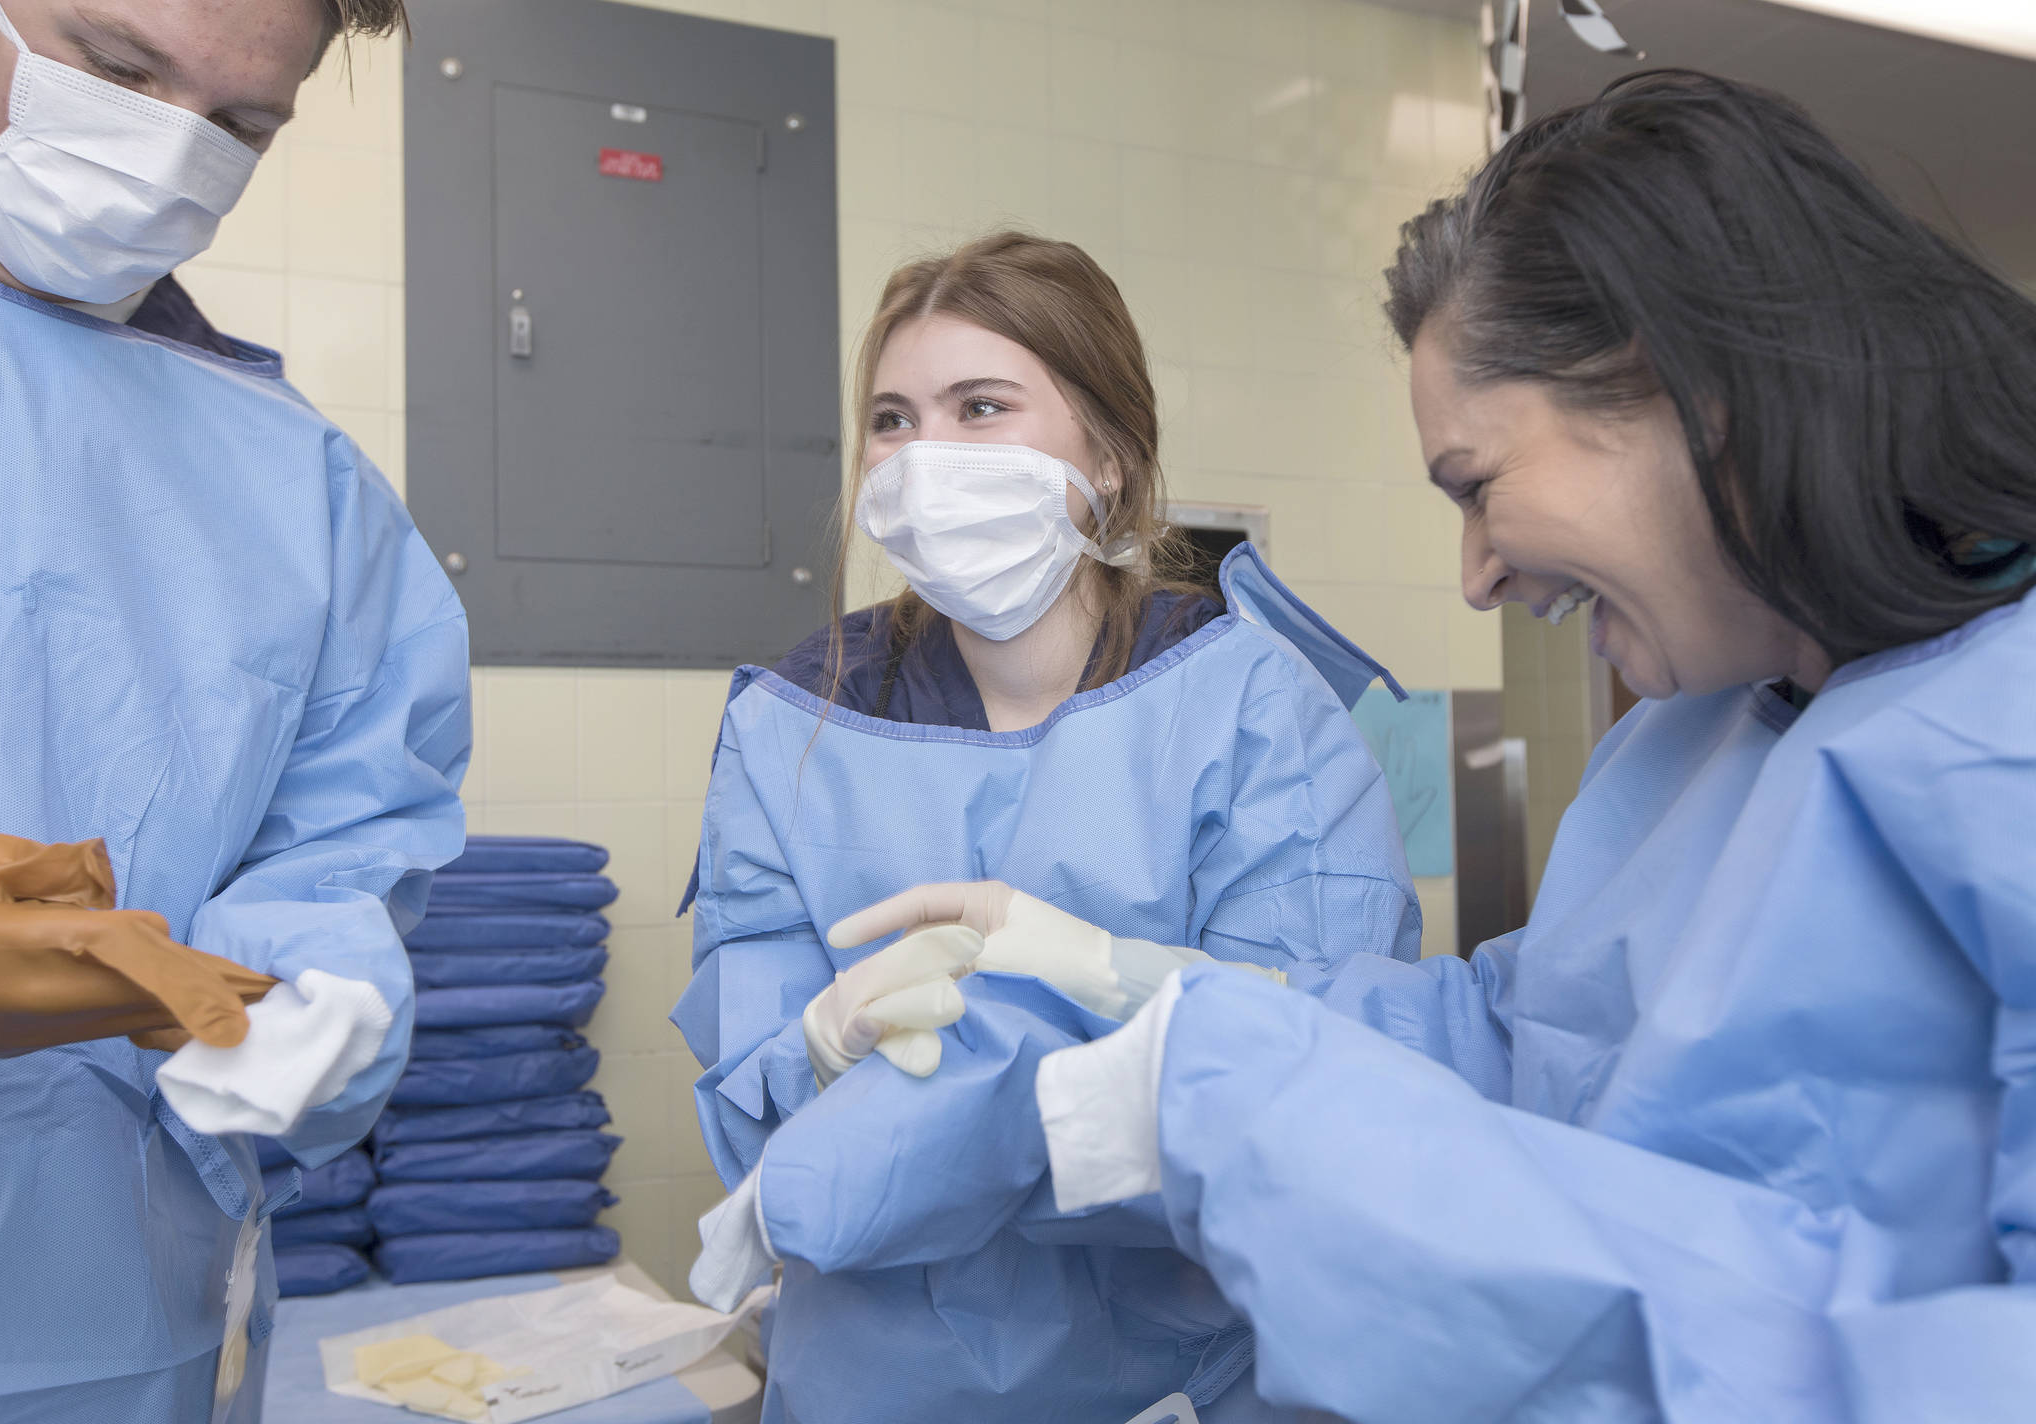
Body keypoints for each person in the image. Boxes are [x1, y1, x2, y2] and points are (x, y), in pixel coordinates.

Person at [829, 71, 2036, 1421]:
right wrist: (1151, 994)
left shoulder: (1997, 748)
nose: (1474, 579)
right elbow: (1531, 1041)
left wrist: (1240, 1110)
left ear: (1698, 395)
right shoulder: (1698, 742)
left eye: (1477, 486)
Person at [671, 231, 1420, 1422]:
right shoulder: (791, 718)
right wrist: (813, 1045)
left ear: (1110, 458)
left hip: (1183, 1375)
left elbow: (1301, 1070)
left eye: (980, 408)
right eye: (892, 419)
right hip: (868, 1379)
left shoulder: (1250, 704)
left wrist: (960, 1099)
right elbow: (751, 1089)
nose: (924, 460)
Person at [0, 2, 470, 1421]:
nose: (161, 157)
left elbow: (337, 848)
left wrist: (304, 998)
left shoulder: (302, 495)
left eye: (240, 126)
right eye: (116, 71)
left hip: (109, 1318)